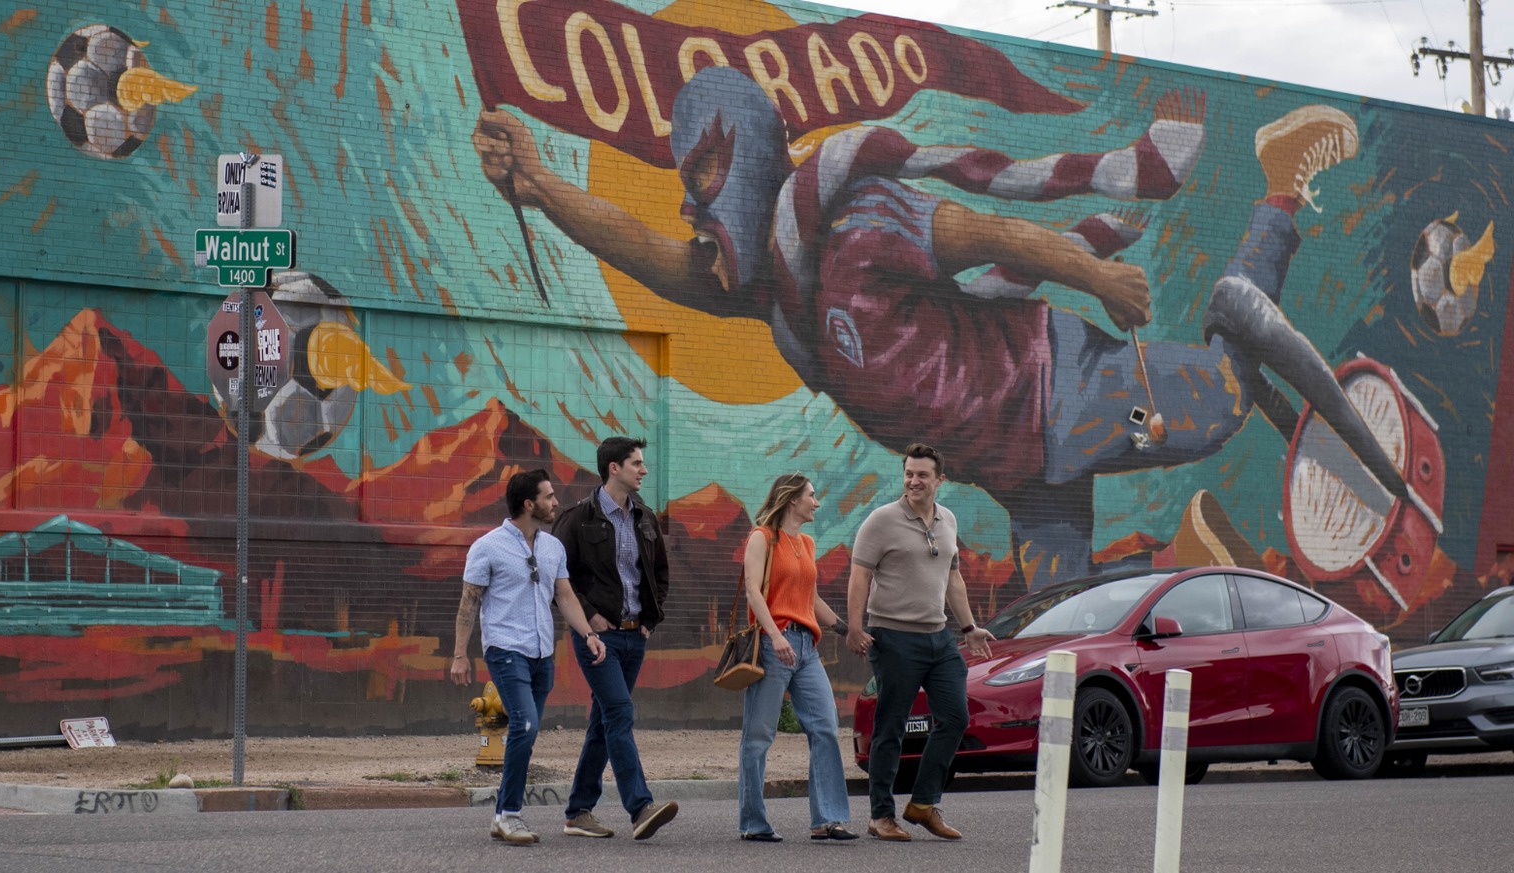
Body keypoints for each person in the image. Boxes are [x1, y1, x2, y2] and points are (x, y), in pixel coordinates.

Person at [472, 66, 1408, 590]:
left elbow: (982, 228)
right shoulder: (778, 293)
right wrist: (541, 185)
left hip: (1065, 393)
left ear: (749, 153)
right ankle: (1199, 564)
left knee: (1227, 401)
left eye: (706, 170)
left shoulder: (856, 224)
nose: (692, 201)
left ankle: (1275, 200)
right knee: (1059, 615)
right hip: (1018, 465)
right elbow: (650, 254)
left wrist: (1094, 274)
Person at [845, 444, 995, 841]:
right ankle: (881, 816)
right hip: (894, 638)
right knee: (890, 728)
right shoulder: (881, 521)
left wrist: (968, 628)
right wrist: (856, 628)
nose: (913, 481)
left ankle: (924, 804)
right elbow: (859, 575)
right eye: (909, 473)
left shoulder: (948, 520)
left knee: (956, 718)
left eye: (922, 475)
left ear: (939, 480)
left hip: (939, 639)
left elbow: (953, 578)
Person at [451, 468, 607, 845]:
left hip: (542, 653)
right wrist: (459, 654)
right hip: (505, 650)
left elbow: (566, 597)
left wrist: (588, 634)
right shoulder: (487, 546)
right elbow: (468, 602)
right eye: (549, 496)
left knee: (527, 731)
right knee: (523, 726)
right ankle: (509, 814)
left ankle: (501, 815)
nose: (556, 502)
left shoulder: (552, 547)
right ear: (528, 503)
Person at [551, 436, 679, 840]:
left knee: (604, 723)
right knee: (620, 713)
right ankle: (640, 806)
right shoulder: (577, 519)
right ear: (614, 469)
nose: (643, 470)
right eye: (637, 464)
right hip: (597, 639)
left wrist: (649, 621)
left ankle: (577, 811)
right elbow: (560, 582)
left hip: (633, 637)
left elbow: (659, 574)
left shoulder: (645, 517)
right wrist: (589, 618)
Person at [735, 473, 857, 842]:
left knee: (825, 727)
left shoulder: (806, 542)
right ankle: (753, 824)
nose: (816, 502)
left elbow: (812, 600)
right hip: (775, 645)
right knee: (758, 735)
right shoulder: (762, 538)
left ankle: (827, 819)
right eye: (811, 495)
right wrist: (774, 635)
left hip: (806, 647)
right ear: (792, 500)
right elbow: (754, 593)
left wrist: (846, 630)